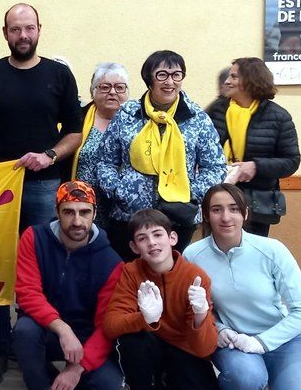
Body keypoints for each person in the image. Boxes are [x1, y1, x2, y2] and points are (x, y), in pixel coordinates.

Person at [0, 4, 82, 383]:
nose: (23, 36)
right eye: (15, 29)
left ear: (39, 30)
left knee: (43, 267)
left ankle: (35, 343)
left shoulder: (59, 75)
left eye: (29, 28)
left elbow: (75, 133)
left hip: (44, 187)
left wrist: (49, 155)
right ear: (5, 33)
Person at [185, 184, 301, 390]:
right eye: (217, 210)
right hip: (233, 341)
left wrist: (262, 343)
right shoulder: (193, 255)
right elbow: (195, 306)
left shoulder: (272, 250)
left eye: (234, 209)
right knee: (246, 377)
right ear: (206, 215)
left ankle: (276, 382)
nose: (226, 217)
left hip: (281, 340)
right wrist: (219, 328)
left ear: (245, 214)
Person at [103, 209, 229, 390]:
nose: (151, 243)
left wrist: (201, 316)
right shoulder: (131, 272)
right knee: (131, 339)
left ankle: (167, 384)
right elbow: (111, 325)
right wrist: (144, 318)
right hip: (149, 346)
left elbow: (205, 349)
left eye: (157, 235)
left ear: (172, 239)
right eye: (142, 238)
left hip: (184, 351)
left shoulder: (196, 276)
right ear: (133, 247)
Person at [94, 50, 225, 260]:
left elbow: (215, 167)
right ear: (149, 78)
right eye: (162, 74)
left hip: (177, 217)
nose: (170, 82)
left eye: (176, 75)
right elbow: (105, 161)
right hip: (129, 216)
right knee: (130, 277)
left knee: (170, 277)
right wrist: (120, 190)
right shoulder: (127, 114)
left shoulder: (197, 118)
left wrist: (191, 194)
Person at [10, 181, 124, 390]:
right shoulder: (34, 237)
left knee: (109, 385)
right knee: (23, 331)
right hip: (48, 328)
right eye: (68, 212)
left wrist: (76, 369)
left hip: (86, 337)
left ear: (94, 213)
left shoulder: (112, 262)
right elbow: (28, 292)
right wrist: (62, 328)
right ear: (57, 211)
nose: (77, 221)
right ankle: (38, 389)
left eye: (84, 212)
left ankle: (77, 382)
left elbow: (106, 325)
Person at [205, 57, 301, 236]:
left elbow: (291, 161)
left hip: (256, 204)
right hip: (218, 197)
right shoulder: (216, 110)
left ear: (250, 81)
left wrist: (256, 166)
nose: (227, 81)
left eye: (233, 77)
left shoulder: (278, 117)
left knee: (252, 255)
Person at [73, 63, 130, 224]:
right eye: (105, 87)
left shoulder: (138, 123)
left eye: (119, 87)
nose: (112, 92)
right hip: (81, 207)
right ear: (93, 91)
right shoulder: (79, 119)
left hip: (122, 208)